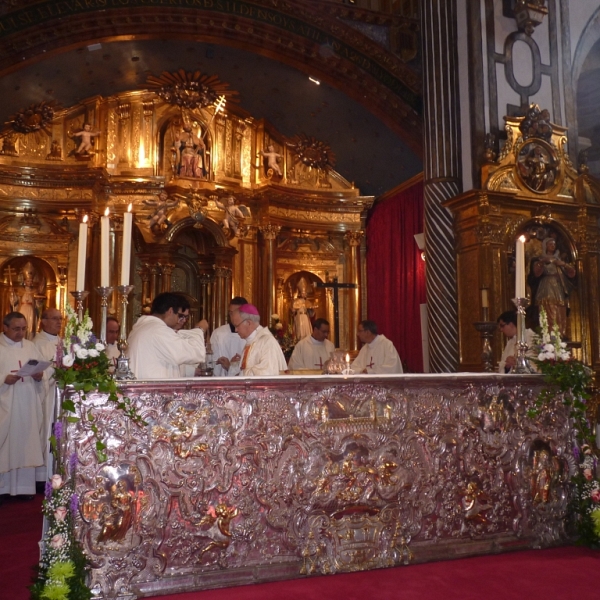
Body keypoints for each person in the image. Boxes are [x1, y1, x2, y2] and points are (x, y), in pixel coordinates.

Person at [0, 312, 46, 497]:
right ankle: (3, 490)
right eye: (16, 329)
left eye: (23, 329)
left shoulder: (31, 346)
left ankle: (24, 489)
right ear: (5, 327)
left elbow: (42, 371)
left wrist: (39, 376)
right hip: (6, 403)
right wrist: (4, 379)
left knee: (26, 444)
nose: (20, 333)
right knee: (7, 445)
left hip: (27, 402)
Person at [128, 292, 209, 379]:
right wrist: (199, 330)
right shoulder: (158, 331)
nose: (182, 321)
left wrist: (191, 371)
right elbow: (193, 353)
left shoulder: (143, 327)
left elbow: (168, 361)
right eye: (180, 316)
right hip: (153, 390)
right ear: (170, 311)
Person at [33, 307, 63, 461]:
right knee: (47, 430)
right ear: (43, 321)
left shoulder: (63, 342)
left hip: (62, 395)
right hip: (48, 396)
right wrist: (57, 370)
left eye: (60, 319)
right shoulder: (37, 344)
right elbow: (38, 373)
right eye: (55, 318)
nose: (59, 322)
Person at [529, 237, 576, 336]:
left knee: (560, 308)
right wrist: (542, 262)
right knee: (548, 308)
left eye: (554, 244)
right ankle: (548, 332)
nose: (552, 246)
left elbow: (572, 273)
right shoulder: (540, 259)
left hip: (558, 286)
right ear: (545, 246)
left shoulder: (559, 260)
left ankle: (560, 333)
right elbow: (536, 274)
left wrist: (563, 264)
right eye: (550, 244)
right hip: (546, 286)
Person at [227, 304, 287, 376]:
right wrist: (235, 366)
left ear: (249, 323)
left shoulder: (267, 342)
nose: (236, 330)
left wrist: (241, 374)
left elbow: (267, 374)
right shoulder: (251, 341)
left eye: (237, 326)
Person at [211, 296, 248, 377]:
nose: (232, 316)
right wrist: (223, 364)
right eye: (230, 313)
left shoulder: (252, 335)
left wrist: (232, 366)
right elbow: (212, 363)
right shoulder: (219, 333)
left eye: (235, 313)